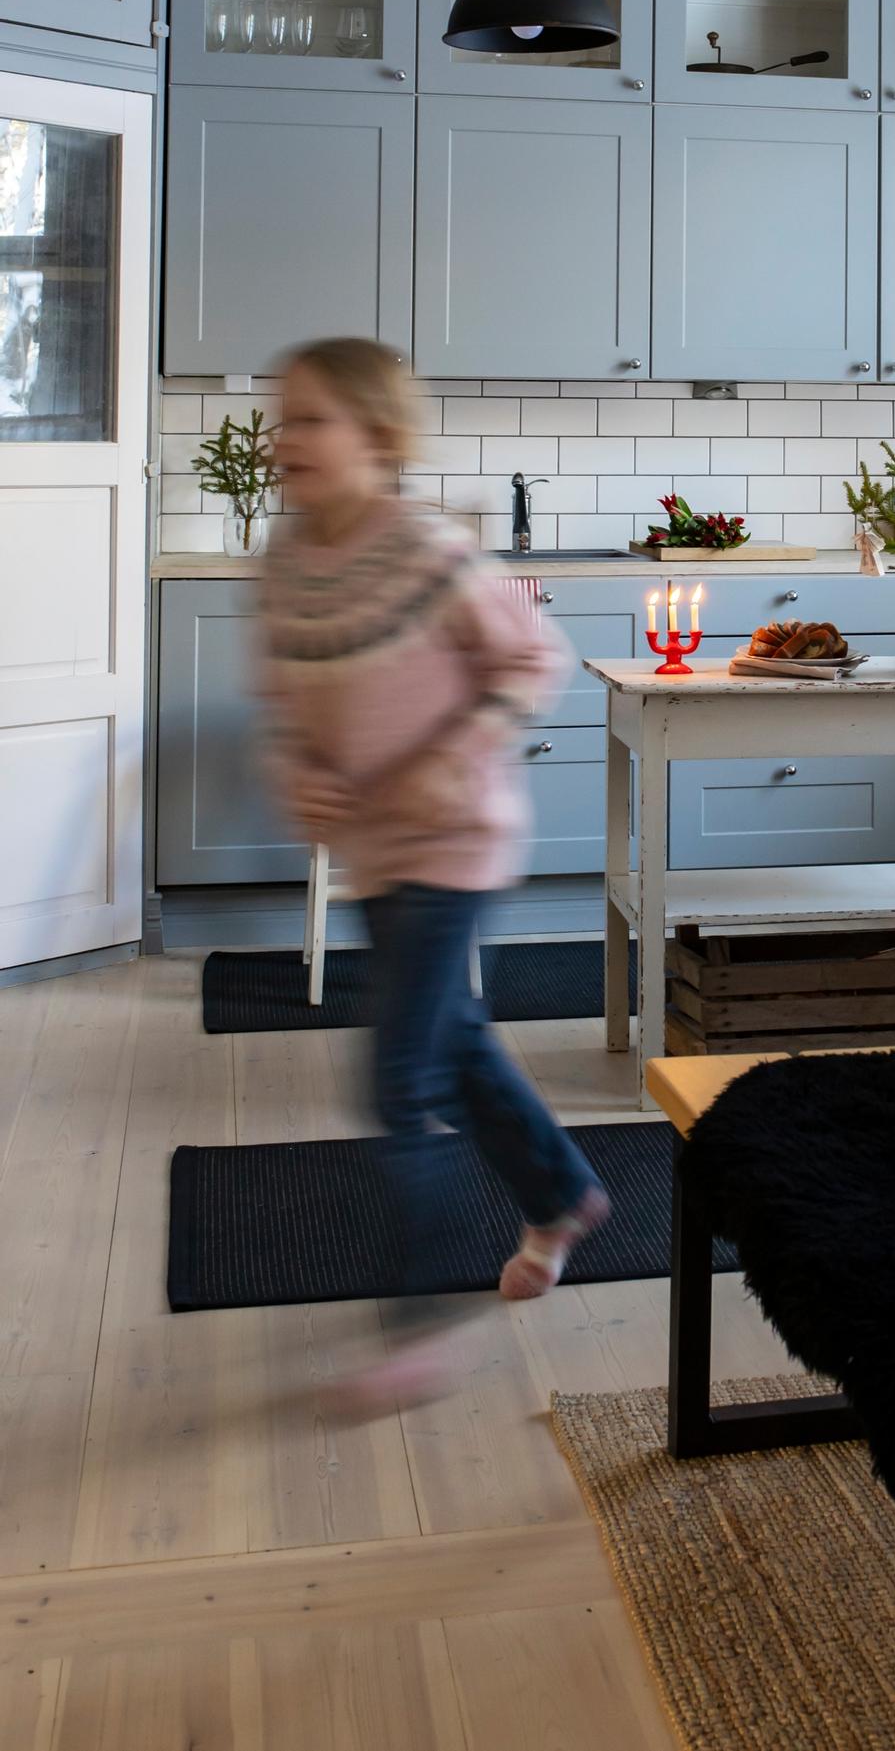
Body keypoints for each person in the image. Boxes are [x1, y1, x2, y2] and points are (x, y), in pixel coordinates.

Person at [256, 336, 607, 1413]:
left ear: (378, 438)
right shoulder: (287, 558)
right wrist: (303, 774)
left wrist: (463, 746)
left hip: (455, 839)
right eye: (285, 416)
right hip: (374, 848)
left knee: (397, 1073)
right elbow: (286, 699)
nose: (287, 437)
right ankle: (562, 1195)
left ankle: (411, 1322)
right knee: (453, 1050)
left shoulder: (429, 551)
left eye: (313, 417)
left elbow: (531, 659)